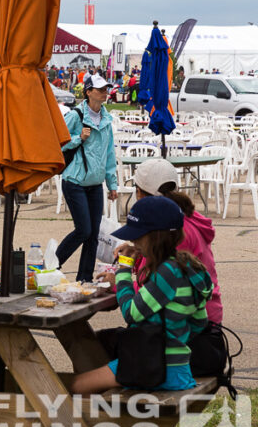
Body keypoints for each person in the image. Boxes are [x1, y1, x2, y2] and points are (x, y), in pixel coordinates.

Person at [95, 158, 226, 377]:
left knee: (98, 344)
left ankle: (116, 404)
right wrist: (137, 253)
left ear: (142, 195)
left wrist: (120, 280)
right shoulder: (182, 221)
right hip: (199, 327)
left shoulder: (175, 233)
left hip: (190, 337)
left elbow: (154, 294)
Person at [71, 196, 212, 396]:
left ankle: (83, 424)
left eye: (138, 237)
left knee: (77, 385)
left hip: (154, 366)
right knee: (91, 362)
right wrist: (174, 337)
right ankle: (98, 422)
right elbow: (200, 322)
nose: (134, 242)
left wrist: (124, 269)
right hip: (178, 369)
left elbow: (131, 312)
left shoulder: (166, 272)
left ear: (156, 237)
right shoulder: (188, 267)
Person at [56, 74, 118, 281]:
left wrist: (112, 184)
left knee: (93, 235)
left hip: (95, 184)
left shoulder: (107, 120)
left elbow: (109, 154)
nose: (104, 92)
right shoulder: (75, 115)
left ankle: (85, 279)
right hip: (74, 181)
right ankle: (51, 264)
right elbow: (58, 143)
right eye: (100, 89)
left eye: (106, 89)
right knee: (83, 230)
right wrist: (77, 138)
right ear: (88, 92)